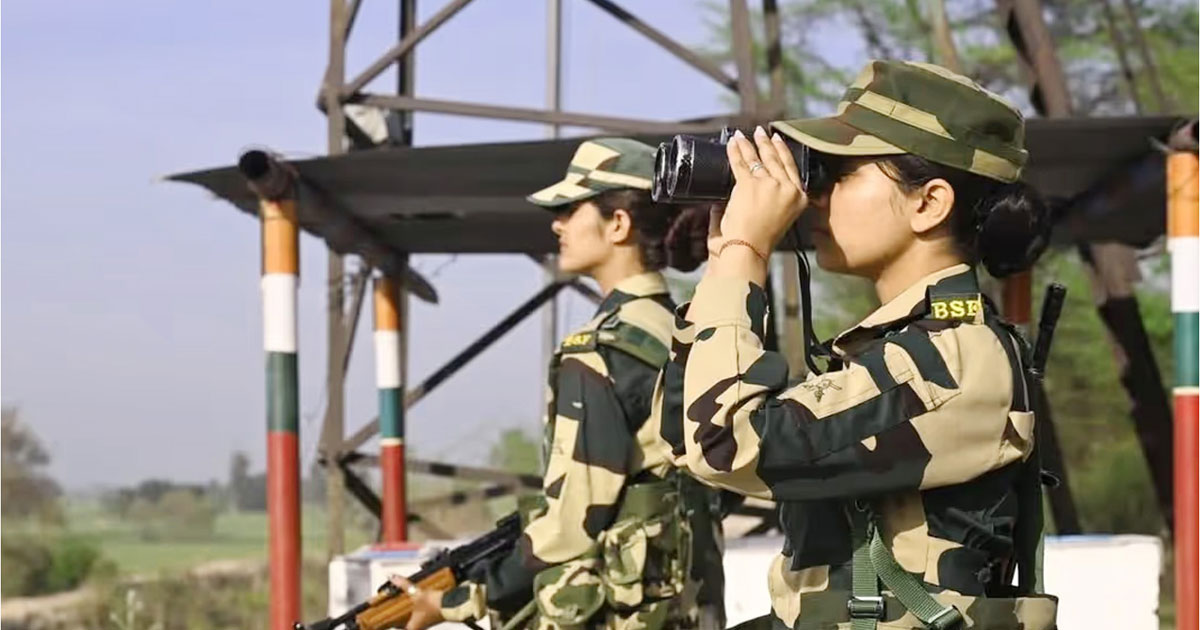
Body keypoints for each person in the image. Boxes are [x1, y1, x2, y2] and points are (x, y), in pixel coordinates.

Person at [657, 60, 1059, 629]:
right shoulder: (901, 348)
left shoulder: (953, 361)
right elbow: (682, 434)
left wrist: (747, 253)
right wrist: (726, 259)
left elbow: (724, 444)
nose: (814, 198)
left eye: (838, 173)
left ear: (929, 202)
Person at [394, 138, 727, 630]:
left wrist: (455, 602)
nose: (557, 224)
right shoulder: (692, 333)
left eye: (572, 209)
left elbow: (575, 522)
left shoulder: (599, 351)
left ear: (618, 224)